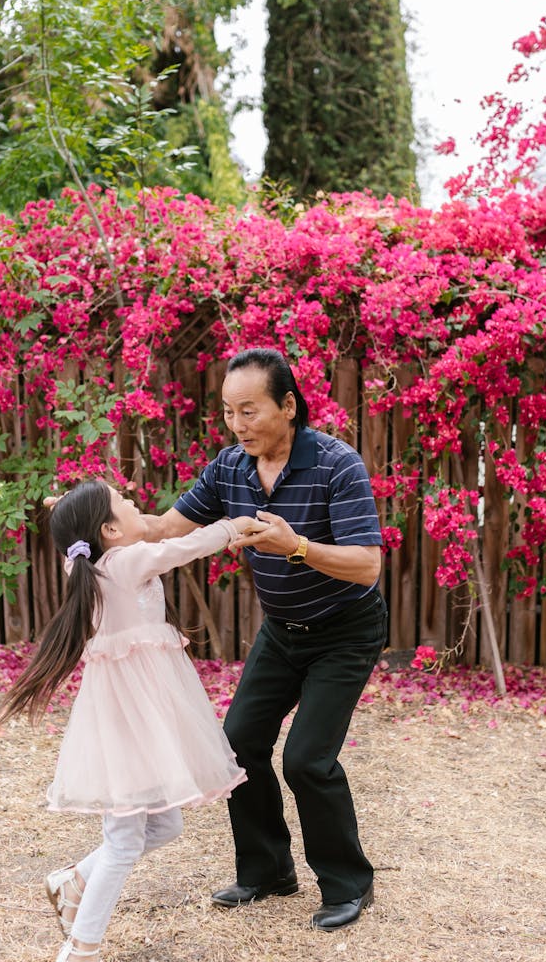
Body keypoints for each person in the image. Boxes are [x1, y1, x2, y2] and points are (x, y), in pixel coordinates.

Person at [144, 348, 387, 931]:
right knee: (238, 745)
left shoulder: (336, 463)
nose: (237, 425)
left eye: (249, 411)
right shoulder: (229, 467)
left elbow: (367, 565)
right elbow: (161, 530)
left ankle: (349, 883)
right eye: (229, 413)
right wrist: (85, 519)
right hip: (282, 632)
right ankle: (268, 870)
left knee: (307, 760)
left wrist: (295, 545)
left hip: (344, 632)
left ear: (288, 406)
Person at [0, 480, 263, 962]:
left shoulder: (87, 565)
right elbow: (181, 547)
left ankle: (72, 882)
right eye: (125, 504)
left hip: (140, 717)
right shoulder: (122, 563)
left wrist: (65, 511)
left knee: (163, 823)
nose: (139, 505)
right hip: (127, 720)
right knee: (124, 841)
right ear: (110, 532)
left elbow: (95, 542)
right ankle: (82, 952)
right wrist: (234, 528)